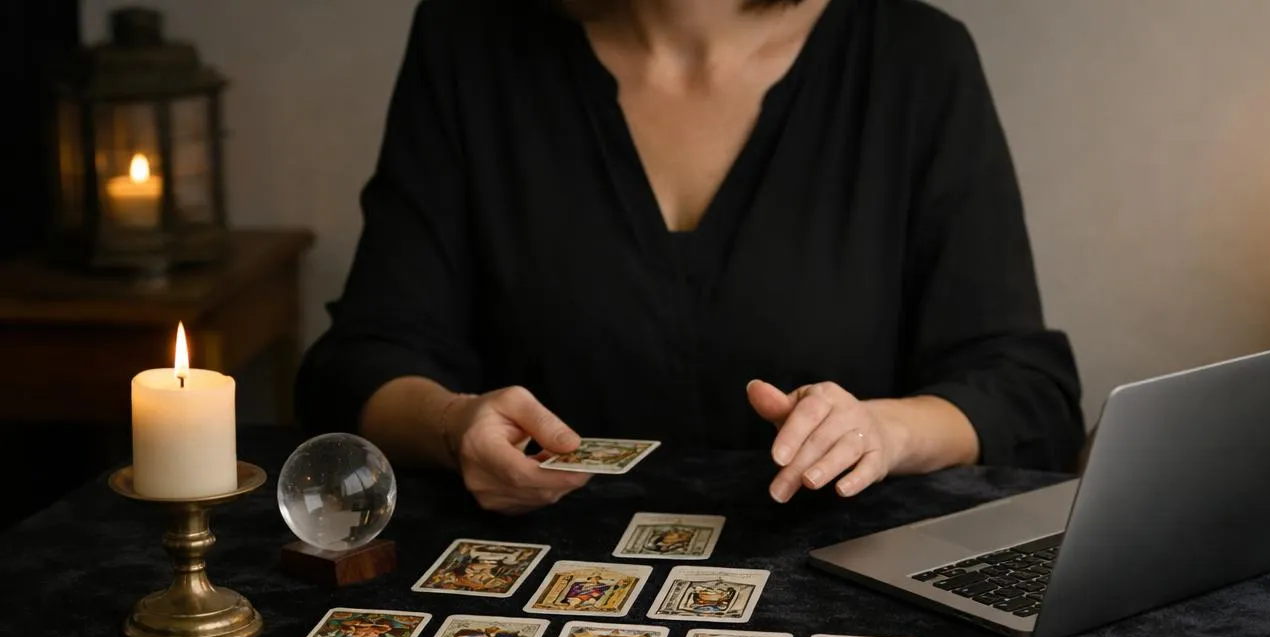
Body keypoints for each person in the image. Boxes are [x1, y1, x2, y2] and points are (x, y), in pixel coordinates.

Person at [294, 0, 1085, 514]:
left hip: (843, 604)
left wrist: (883, 431)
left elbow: (1024, 390)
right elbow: (360, 362)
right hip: (529, 607)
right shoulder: (469, 41)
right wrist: (449, 424)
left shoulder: (916, 58)